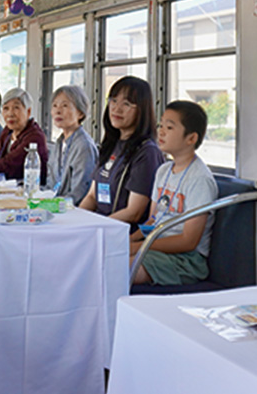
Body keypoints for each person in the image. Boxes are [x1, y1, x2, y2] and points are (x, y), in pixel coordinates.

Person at [130, 101, 218, 286]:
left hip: (185, 260)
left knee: (118, 267)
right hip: (155, 247)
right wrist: (126, 241)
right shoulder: (163, 171)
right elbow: (153, 220)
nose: (161, 131)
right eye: (161, 125)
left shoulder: (199, 179)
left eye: (169, 127)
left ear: (191, 138)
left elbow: (188, 241)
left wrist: (137, 248)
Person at [78, 76, 164, 229]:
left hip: (119, 232)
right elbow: (92, 196)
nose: (117, 108)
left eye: (127, 104)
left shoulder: (147, 152)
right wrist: (76, 222)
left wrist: (95, 227)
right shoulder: (111, 144)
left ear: (142, 110)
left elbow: (134, 212)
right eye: (113, 100)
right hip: (98, 226)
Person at [48, 84, 98, 205]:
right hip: (54, 205)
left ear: (80, 113)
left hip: (70, 210)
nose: (58, 111)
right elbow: (51, 184)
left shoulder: (83, 145)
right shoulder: (59, 142)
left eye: (65, 106)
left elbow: (80, 192)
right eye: (55, 106)